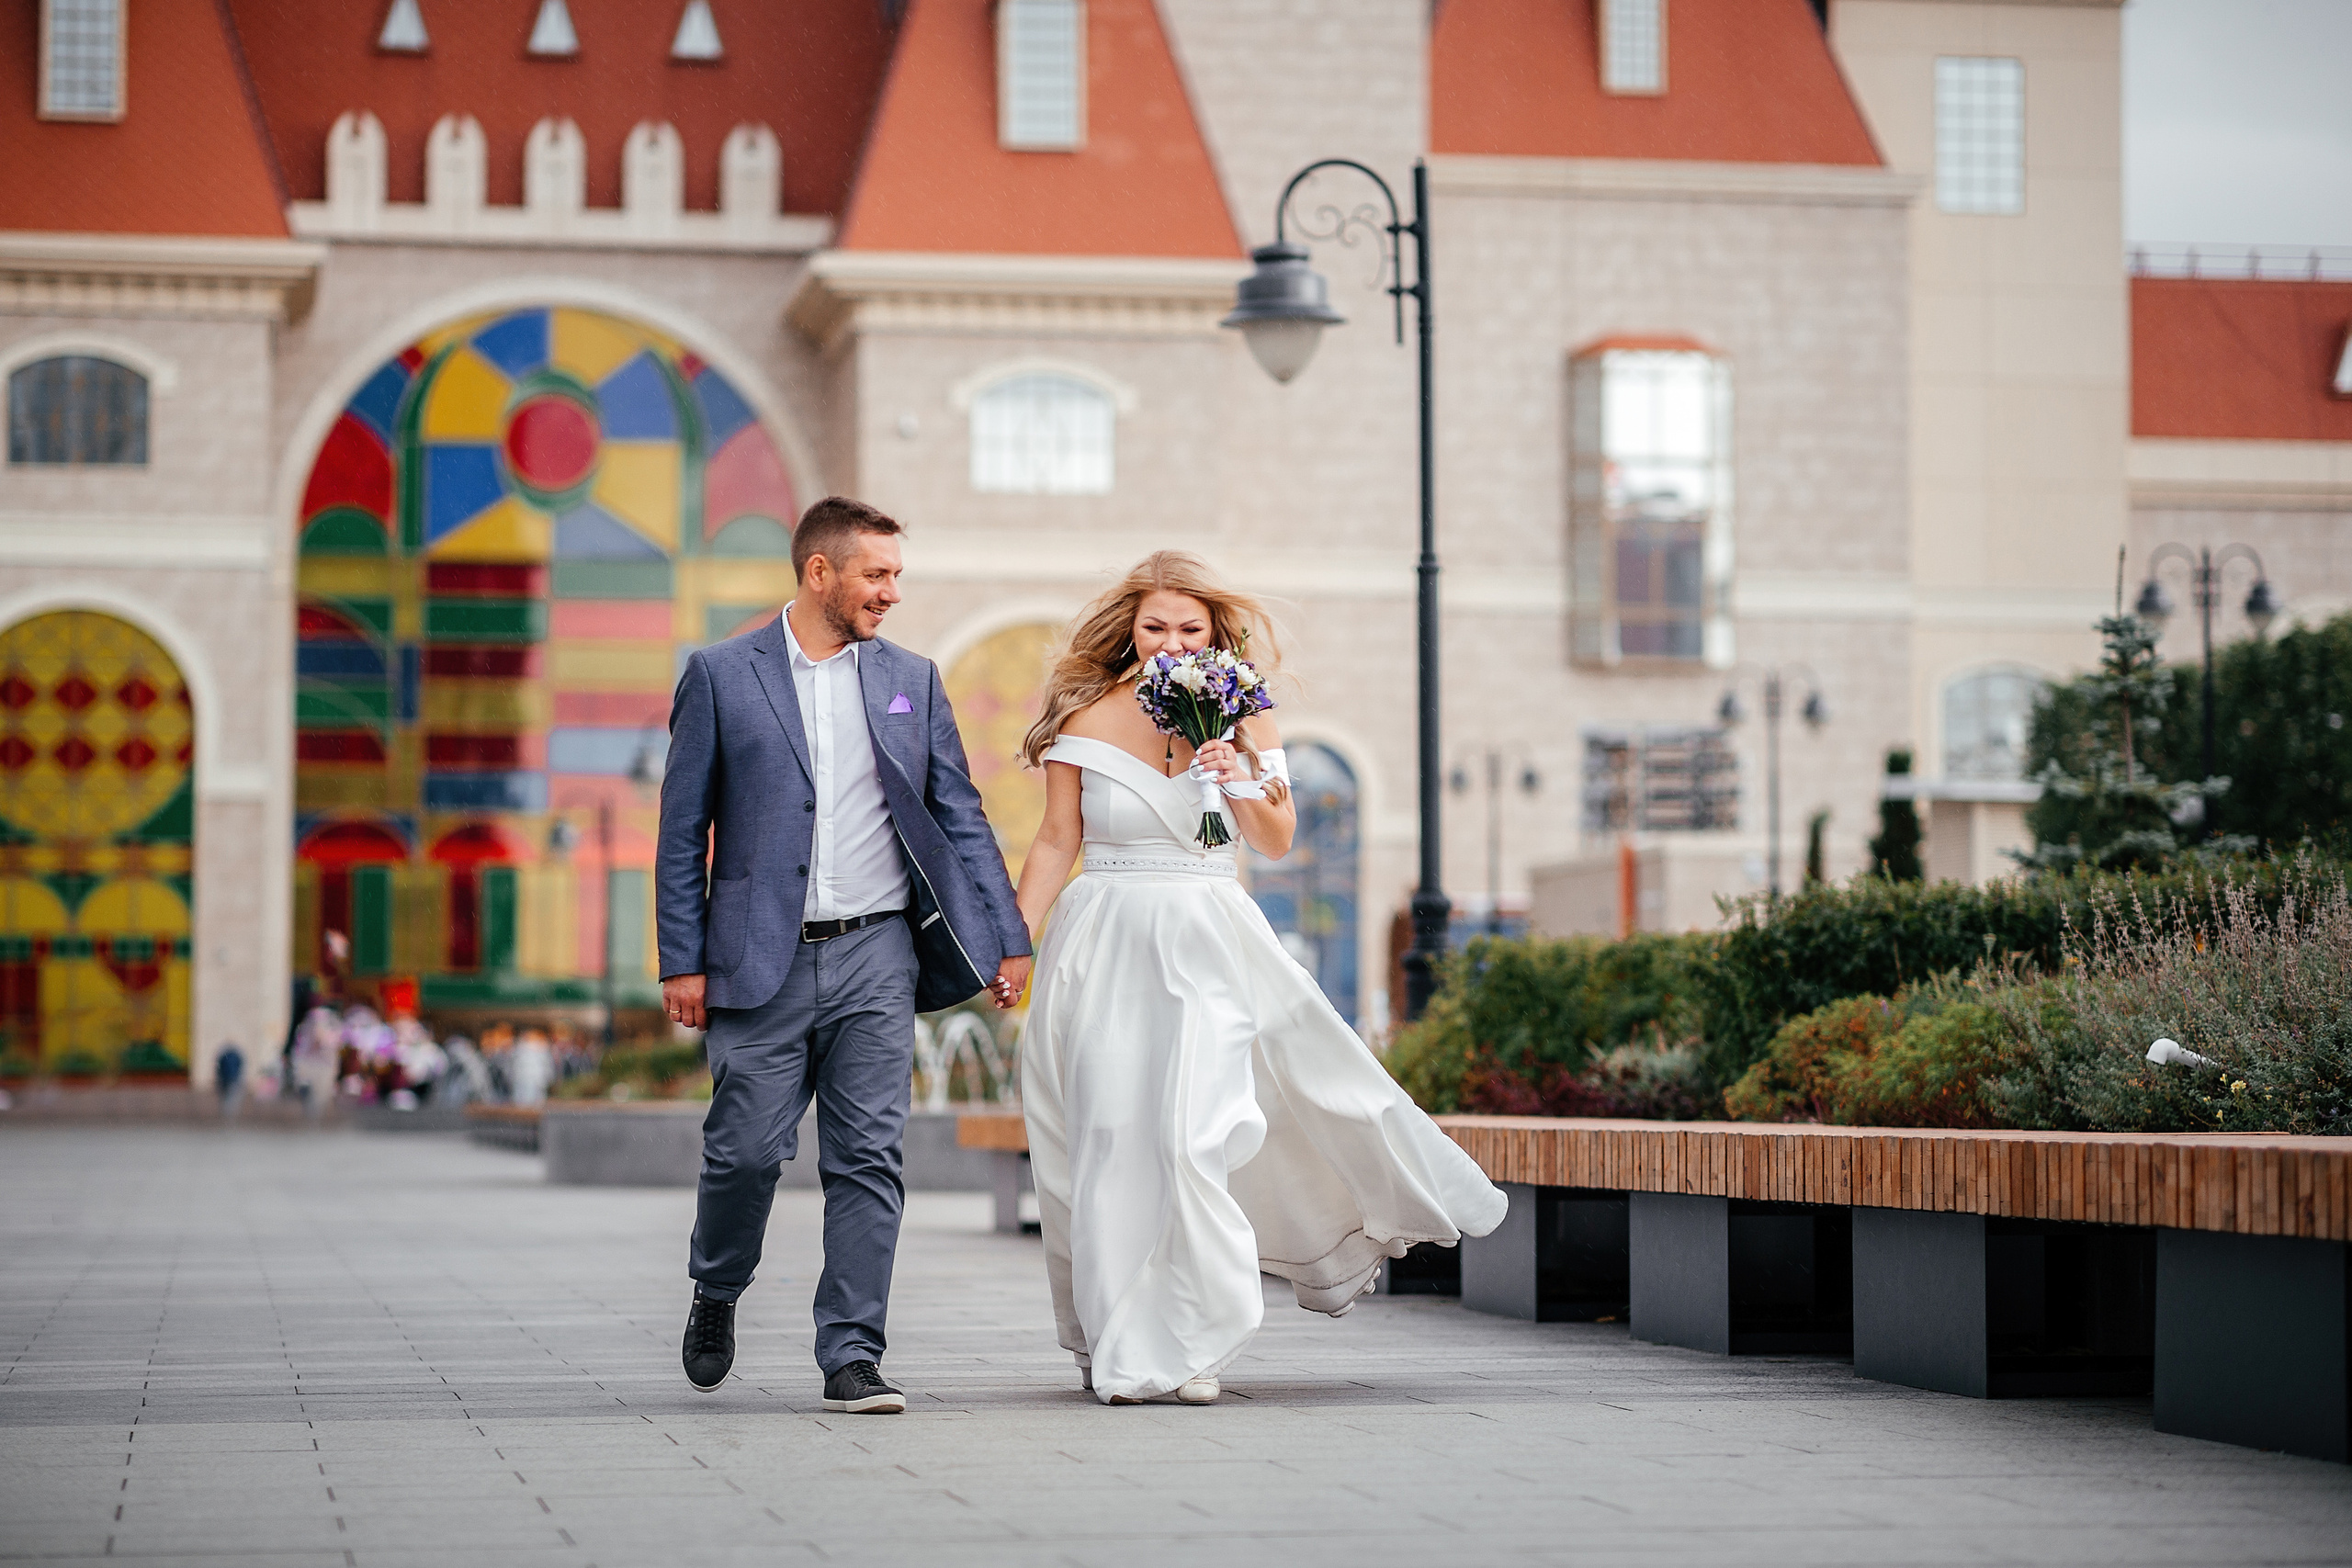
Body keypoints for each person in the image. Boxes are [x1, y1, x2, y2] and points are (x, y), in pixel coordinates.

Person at [1012, 552, 1508, 1405]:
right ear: (1130, 627)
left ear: (1217, 633)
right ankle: (1112, 1331)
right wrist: (1013, 943)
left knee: (1192, 1137)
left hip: (1208, 937)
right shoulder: (1083, 716)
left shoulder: (1247, 713)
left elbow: (1274, 840)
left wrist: (1234, 768)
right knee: (1106, 1140)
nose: (1171, 641)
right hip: (1106, 937)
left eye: (1190, 627)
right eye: (1155, 625)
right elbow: (1058, 839)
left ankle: (1194, 1335)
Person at [656, 495, 1030, 1416]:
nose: (891, 593)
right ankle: (717, 1287)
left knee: (869, 1158)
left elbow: (959, 815)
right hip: (756, 959)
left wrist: (1007, 937)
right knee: (744, 1153)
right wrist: (680, 957)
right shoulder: (718, 674)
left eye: (897, 574)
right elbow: (679, 830)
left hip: (877, 955)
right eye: (877, 574)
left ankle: (852, 1354)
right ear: (819, 572)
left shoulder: (913, 679)